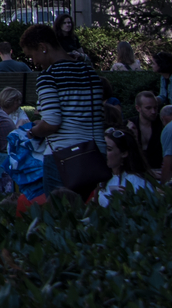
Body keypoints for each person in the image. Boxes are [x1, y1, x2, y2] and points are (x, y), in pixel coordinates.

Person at [23, 23, 109, 195]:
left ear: (43, 47)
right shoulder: (89, 73)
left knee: (60, 215)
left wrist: (34, 131)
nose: (34, 62)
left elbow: (52, 123)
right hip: (97, 152)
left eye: (32, 56)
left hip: (64, 157)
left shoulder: (48, 77)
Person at [96, 126, 156, 207]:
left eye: (109, 149)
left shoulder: (136, 181)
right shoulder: (104, 178)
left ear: (124, 153)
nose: (103, 152)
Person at [130, 90, 163, 163]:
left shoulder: (162, 123)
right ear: (138, 108)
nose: (153, 112)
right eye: (148, 108)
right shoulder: (130, 125)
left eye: (155, 108)